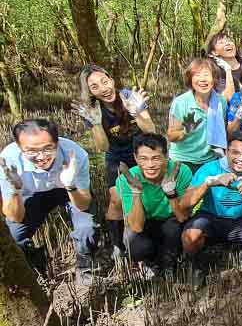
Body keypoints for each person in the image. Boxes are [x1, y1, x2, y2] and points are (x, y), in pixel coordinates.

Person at [73, 64, 157, 259]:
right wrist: (95, 123)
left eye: (104, 81)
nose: (103, 88)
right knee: (117, 199)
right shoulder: (92, 109)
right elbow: (102, 147)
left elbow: (151, 130)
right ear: (91, 93)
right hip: (116, 156)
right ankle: (118, 244)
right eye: (95, 87)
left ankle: (144, 236)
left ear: (111, 80)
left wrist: (135, 111)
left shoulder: (128, 96)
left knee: (146, 194)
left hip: (142, 152)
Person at [0, 119, 97, 285]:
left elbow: (83, 204)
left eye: (48, 148)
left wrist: (70, 184)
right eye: (31, 151)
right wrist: (15, 191)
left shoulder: (76, 155)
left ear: (58, 143)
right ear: (19, 147)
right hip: (31, 193)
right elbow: (14, 217)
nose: (41, 157)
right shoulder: (8, 161)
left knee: (87, 229)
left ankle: (84, 266)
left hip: (67, 189)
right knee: (15, 235)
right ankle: (36, 267)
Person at [181, 132, 242, 287]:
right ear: (226, 152)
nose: (241, 159)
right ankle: (197, 262)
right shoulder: (209, 168)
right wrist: (210, 183)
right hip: (211, 217)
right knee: (190, 237)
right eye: (235, 153)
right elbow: (185, 203)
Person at [115, 133, 192, 275]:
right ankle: (150, 262)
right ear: (135, 158)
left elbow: (182, 217)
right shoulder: (128, 178)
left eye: (156, 158)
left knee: (173, 229)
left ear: (166, 156)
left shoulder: (181, 171)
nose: (150, 165)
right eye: (143, 159)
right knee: (136, 247)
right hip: (145, 223)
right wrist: (136, 193)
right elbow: (136, 227)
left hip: (171, 221)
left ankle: (169, 262)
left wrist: (171, 193)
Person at [167, 58, 229, 173]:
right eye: (197, 75)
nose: (202, 79)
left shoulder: (220, 102)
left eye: (206, 75)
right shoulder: (181, 102)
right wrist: (185, 131)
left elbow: (223, 131)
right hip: (183, 161)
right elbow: (171, 136)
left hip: (211, 160)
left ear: (214, 79)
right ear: (190, 79)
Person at [206, 32, 242, 101]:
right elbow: (229, 97)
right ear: (214, 53)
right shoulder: (216, 73)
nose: (228, 43)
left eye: (229, 41)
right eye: (221, 42)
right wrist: (228, 69)